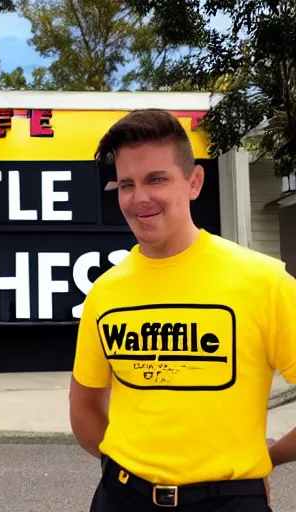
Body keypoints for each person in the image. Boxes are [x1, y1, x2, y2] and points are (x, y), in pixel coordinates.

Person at [69, 109, 296, 511]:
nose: (140, 198)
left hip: (227, 499)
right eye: (126, 184)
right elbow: (85, 405)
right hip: (121, 496)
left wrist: (268, 458)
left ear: (194, 182)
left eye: (156, 179)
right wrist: (122, 467)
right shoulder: (105, 292)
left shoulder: (265, 282)